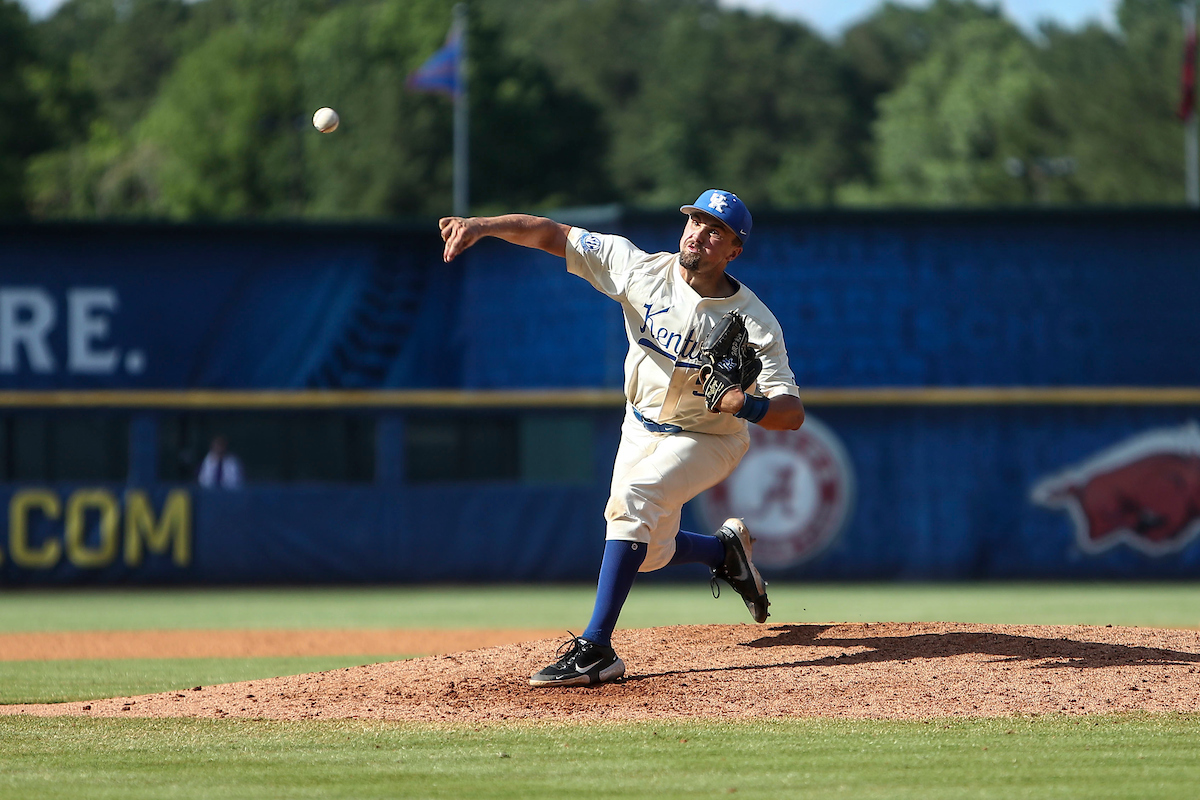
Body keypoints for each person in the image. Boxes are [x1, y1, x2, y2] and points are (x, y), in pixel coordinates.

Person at [440, 189, 805, 687]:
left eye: (715, 230)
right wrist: (483, 225)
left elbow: (792, 414)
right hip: (639, 425)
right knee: (648, 552)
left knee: (635, 498)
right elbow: (553, 234)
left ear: (734, 250)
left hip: (707, 437)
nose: (699, 234)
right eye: (695, 221)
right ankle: (724, 553)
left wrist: (749, 405)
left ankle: (596, 648)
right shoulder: (639, 269)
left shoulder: (756, 322)